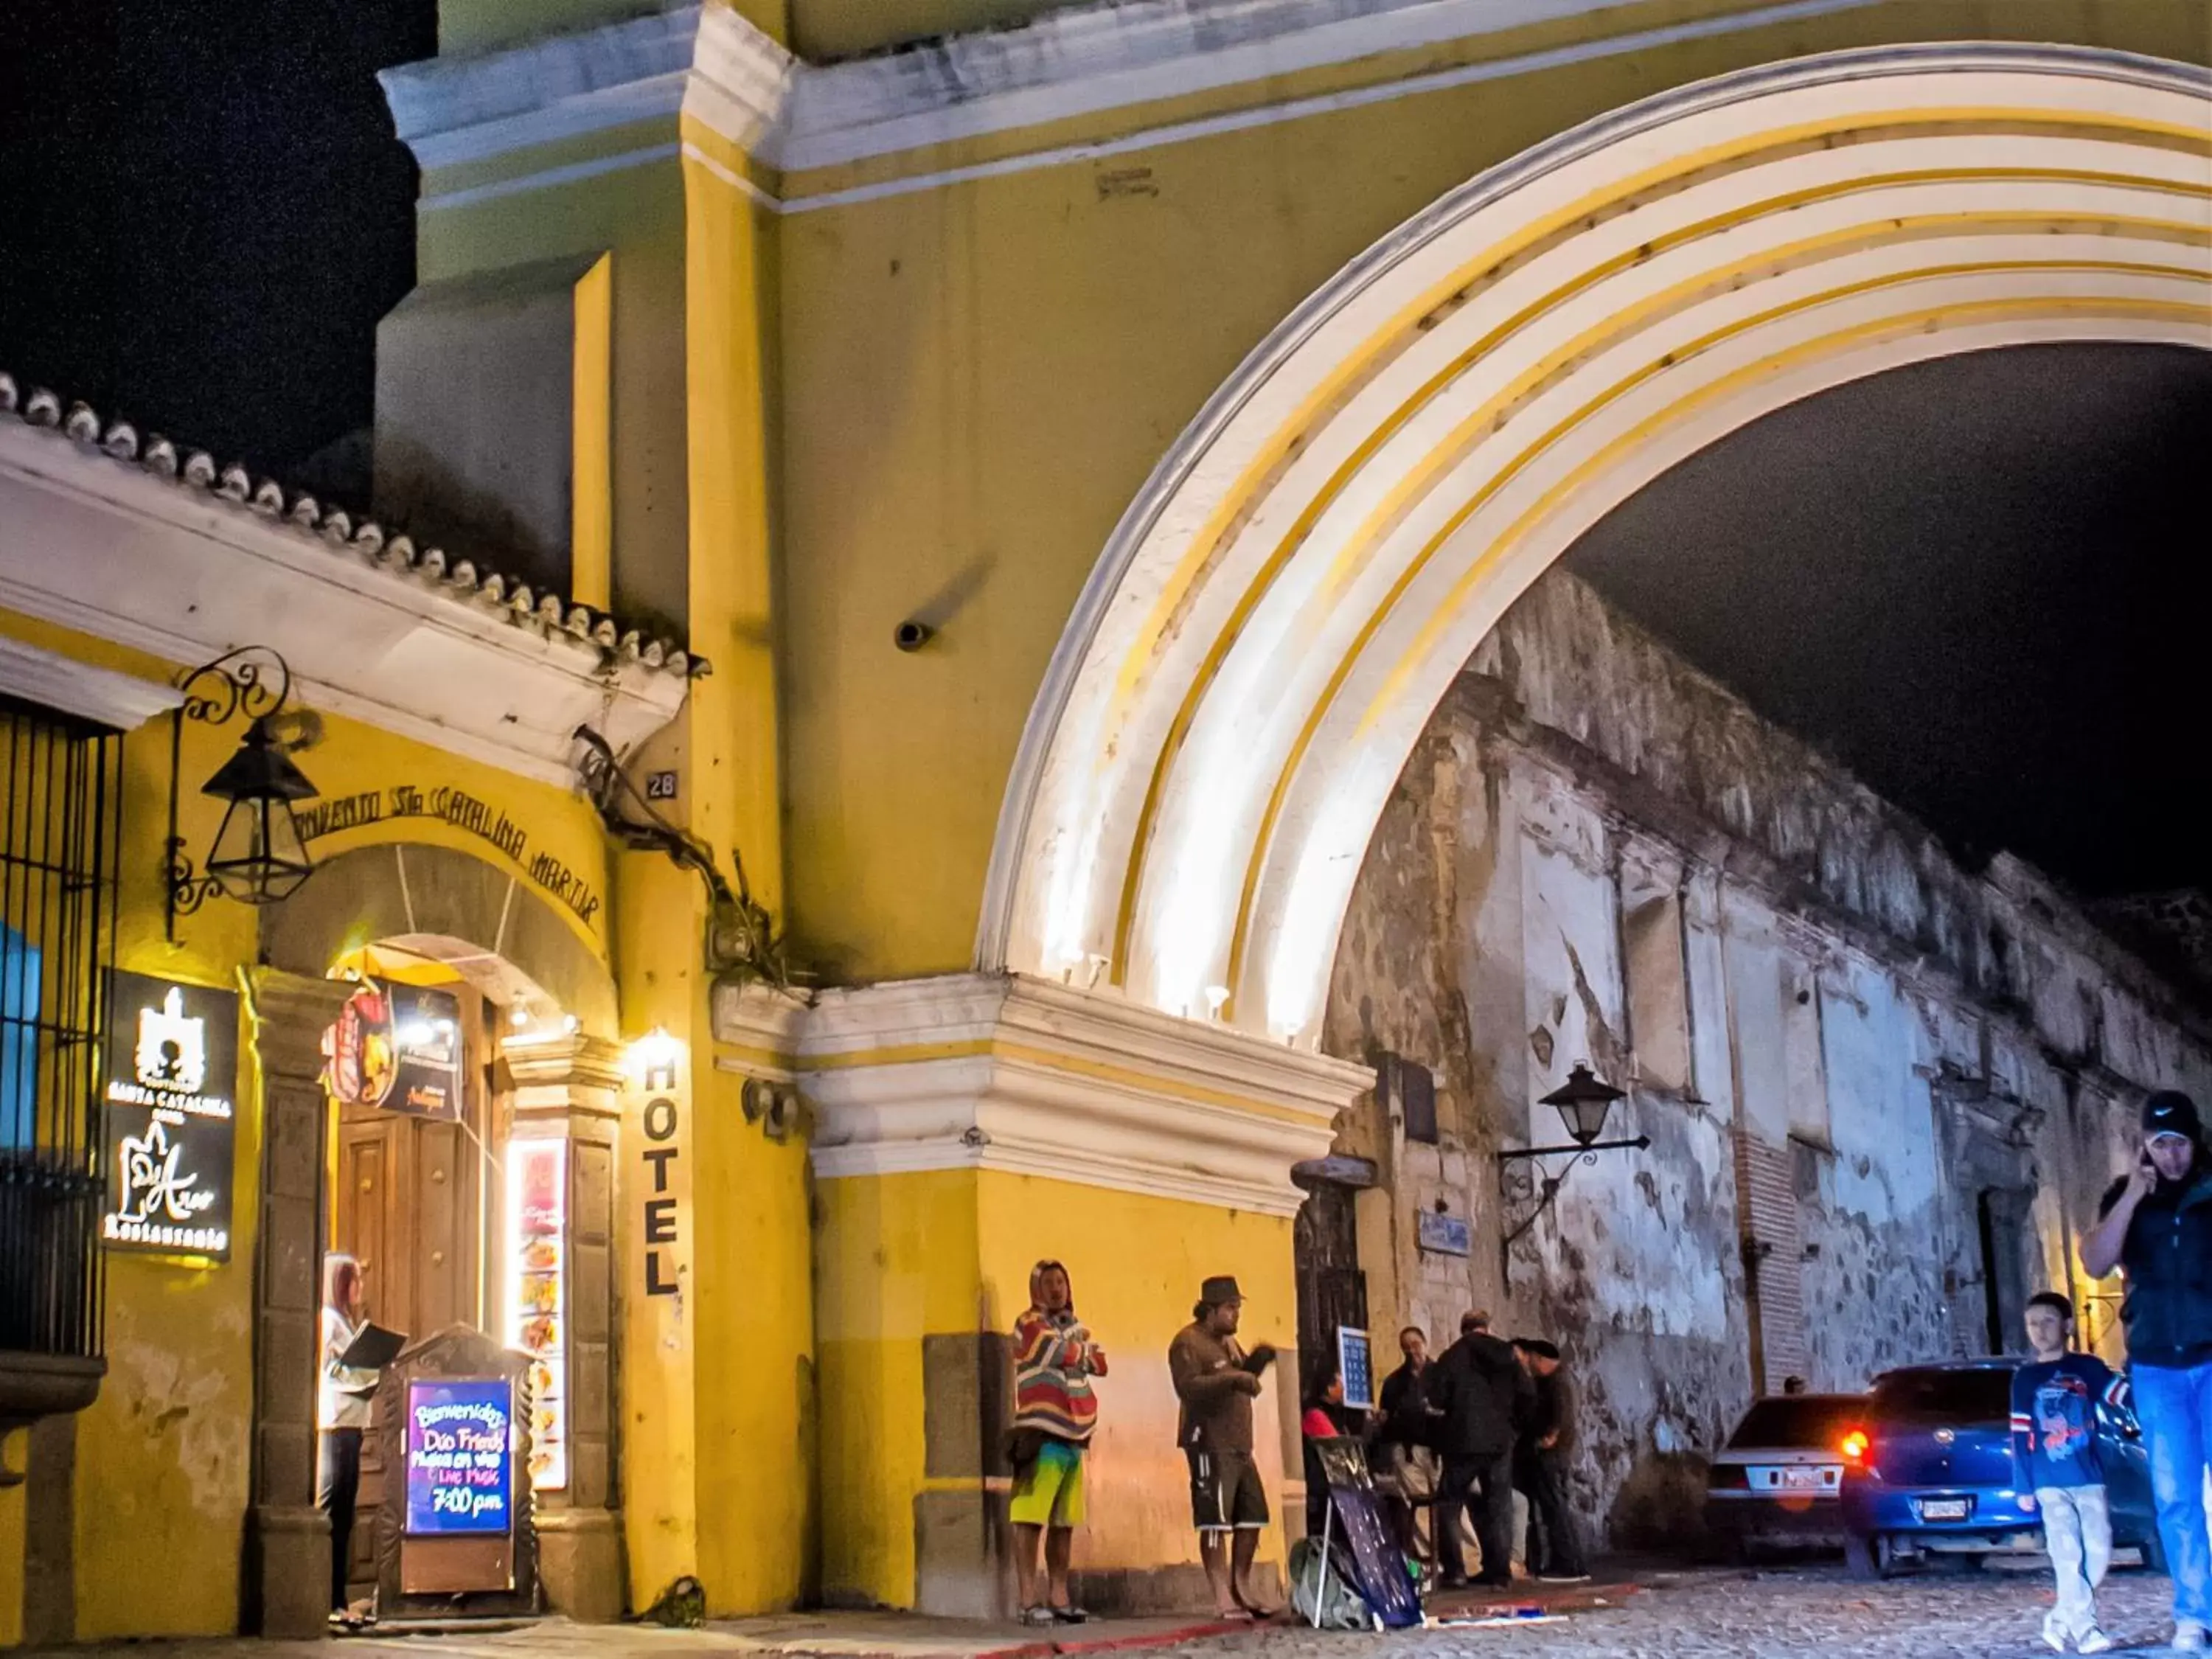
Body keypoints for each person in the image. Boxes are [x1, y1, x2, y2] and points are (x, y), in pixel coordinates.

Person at [2081, 1091, 2212, 1652]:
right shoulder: (2127, 1196)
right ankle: (2194, 1614)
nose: (2172, 1156)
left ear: (2195, 1141)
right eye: (2161, 1145)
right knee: (2175, 1495)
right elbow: (2093, 1262)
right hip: (2158, 1368)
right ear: (2145, 1147)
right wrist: (2134, 1193)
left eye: (2180, 1143)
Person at [2011, 1291, 2126, 1655]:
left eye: (2047, 1321)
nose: (2039, 1330)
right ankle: (2087, 1629)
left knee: (2099, 1552)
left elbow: (2121, 1395)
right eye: (2032, 1324)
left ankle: (2059, 1620)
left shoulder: (2087, 1368)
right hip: (2048, 1482)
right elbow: (2019, 1434)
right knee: (2067, 1555)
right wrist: (2023, 1484)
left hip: (2089, 1476)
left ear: (2067, 1325)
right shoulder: (2025, 1379)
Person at [1169, 1276, 1280, 1618]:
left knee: (1253, 1516)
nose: (1236, 1316)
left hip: (1240, 1444)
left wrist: (1256, 1363)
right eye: (1231, 1308)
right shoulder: (1187, 1342)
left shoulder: (1230, 1343)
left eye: (1238, 1308)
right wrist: (1234, 1378)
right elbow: (1188, 1387)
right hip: (1208, 1442)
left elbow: (1242, 1380)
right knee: (1213, 1520)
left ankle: (1241, 1587)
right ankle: (1221, 1596)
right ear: (1210, 1309)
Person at [1009, 1260, 1108, 1627]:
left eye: (1062, 1282)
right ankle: (1027, 1600)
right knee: (1030, 1518)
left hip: (1074, 1435)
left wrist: (1081, 1352)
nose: (1057, 1289)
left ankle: (1060, 1597)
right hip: (1039, 1433)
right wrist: (1080, 1351)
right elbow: (1055, 1352)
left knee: (1064, 1521)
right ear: (1037, 1288)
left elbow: (1101, 1363)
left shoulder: (1071, 1327)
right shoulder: (1027, 1323)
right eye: (1049, 1282)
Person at [1427, 1313, 1531, 1588]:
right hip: (1499, 1443)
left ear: (1462, 1330)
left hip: (1462, 1443)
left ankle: (1456, 1571)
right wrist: (1513, 1429)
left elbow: (1437, 1398)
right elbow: (1528, 1394)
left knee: (1449, 1505)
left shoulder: (1451, 1357)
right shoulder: (1507, 1356)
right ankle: (1500, 1573)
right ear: (1488, 1328)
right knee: (1499, 1506)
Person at [318, 1253, 380, 1624]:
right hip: (336, 1424)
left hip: (352, 1425)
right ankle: (329, 1599)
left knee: (344, 1514)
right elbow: (333, 1370)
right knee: (334, 1511)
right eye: (353, 1279)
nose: (360, 1287)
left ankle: (338, 1599)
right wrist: (365, 1373)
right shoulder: (328, 1321)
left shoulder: (343, 1321)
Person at [1512, 1339, 1590, 1584]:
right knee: (1554, 1507)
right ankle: (1568, 1562)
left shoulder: (1555, 1384)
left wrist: (1546, 1439)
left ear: (1538, 1358)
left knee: (1554, 1508)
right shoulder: (1553, 1382)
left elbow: (1559, 1417)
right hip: (1551, 1454)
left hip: (1550, 1456)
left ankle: (1567, 1564)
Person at [1375, 1326, 1441, 1559]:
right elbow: (1386, 1414)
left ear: (1425, 1343)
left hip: (1438, 1450)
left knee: (1450, 1506)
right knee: (1419, 1507)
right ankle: (1430, 1558)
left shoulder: (1440, 1375)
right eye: (1406, 1347)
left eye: (1415, 1345)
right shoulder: (1394, 1382)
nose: (1412, 1351)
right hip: (1408, 1451)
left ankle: (1465, 1559)